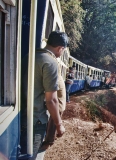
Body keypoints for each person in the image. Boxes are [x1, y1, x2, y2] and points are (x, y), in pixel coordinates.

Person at [20, 31, 67, 159]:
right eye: (63, 50)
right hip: (36, 121)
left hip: (21, 117)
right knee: (30, 156)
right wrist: (59, 125)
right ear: (60, 48)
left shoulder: (28, 56)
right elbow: (51, 100)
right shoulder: (50, 63)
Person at [41, 57, 67, 148]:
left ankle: (49, 141)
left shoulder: (56, 80)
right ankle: (52, 137)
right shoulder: (58, 78)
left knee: (53, 123)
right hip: (60, 104)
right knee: (53, 122)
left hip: (58, 105)